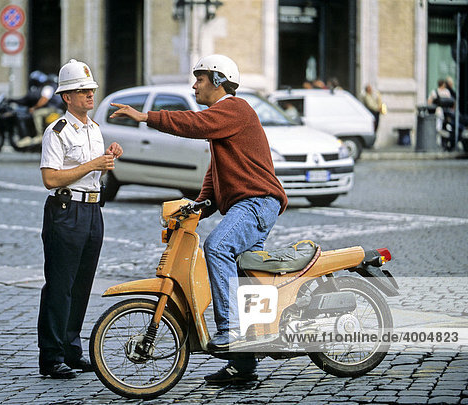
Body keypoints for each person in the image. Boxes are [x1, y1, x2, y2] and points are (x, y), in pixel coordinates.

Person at [110, 54, 288, 385]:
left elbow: (193, 124)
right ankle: (244, 366)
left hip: (256, 203)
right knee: (245, 275)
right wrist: (197, 206)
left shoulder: (235, 109)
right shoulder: (225, 118)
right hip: (250, 204)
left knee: (218, 247)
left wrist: (145, 116)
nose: (195, 85)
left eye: (200, 79)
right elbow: (216, 172)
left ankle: (231, 330)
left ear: (218, 81)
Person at [37, 59, 123, 379]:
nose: (89, 94)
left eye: (91, 89)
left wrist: (108, 157)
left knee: (82, 284)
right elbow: (50, 178)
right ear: (67, 97)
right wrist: (93, 164)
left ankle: (71, 349)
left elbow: (94, 168)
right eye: (81, 90)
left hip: (91, 211)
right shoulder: (56, 131)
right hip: (65, 210)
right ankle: (51, 355)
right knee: (60, 286)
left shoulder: (95, 129)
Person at [16, 72, 60, 148]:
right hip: (55, 109)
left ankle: (39, 135)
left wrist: (34, 108)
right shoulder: (56, 87)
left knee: (36, 113)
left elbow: (44, 99)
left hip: (51, 109)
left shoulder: (48, 88)